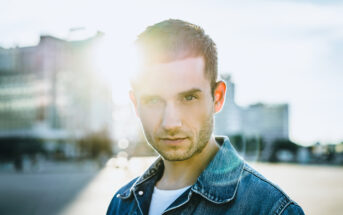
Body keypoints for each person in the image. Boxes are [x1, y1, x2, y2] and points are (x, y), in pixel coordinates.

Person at [107, 19, 304, 215]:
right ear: (136, 105)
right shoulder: (121, 204)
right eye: (153, 101)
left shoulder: (271, 210)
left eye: (189, 98)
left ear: (217, 98)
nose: (171, 123)